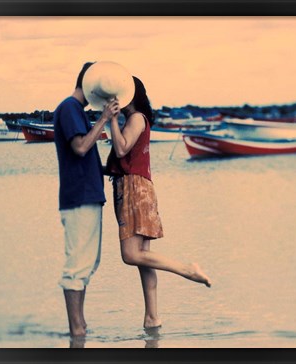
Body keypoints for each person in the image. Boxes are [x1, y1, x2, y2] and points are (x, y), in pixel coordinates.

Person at [105, 76, 212, 329]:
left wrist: (111, 118)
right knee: (143, 259)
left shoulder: (136, 118)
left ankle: (187, 269)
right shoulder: (137, 119)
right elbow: (122, 159)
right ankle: (152, 318)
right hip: (138, 187)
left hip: (134, 189)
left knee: (131, 256)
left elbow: (121, 149)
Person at [53, 62, 120, 338]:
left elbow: (84, 154)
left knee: (88, 264)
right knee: (77, 267)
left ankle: (79, 328)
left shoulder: (77, 111)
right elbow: (80, 147)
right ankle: (76, 328)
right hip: (79, 197)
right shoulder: (69, 107)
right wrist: (104, 119)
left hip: (87, 195)